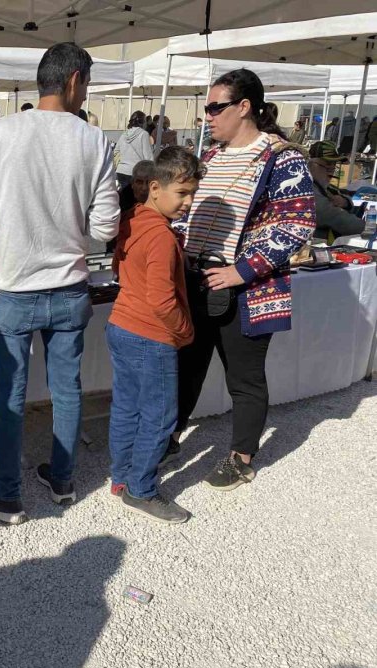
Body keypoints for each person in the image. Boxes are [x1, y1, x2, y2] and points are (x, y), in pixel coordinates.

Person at [0, 42, 120, 524]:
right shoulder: (94, 140)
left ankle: (9, 494)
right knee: (67, 388)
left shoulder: (1, 131)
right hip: (69, 284)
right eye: (87, 82)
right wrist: (70, 234)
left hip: (14, 286)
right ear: (74, 81)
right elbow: (106, 229)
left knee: (9, 393)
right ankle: (63, 479)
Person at [171, 69, 315, 491]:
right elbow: (189, 214)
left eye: (215, 107)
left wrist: (241, 270)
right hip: (198, 281)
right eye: (206, 109)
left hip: (246, 290)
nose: (207, 117)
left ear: (244, 107)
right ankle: (169, 438)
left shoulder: (282, 157)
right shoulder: (213, 157)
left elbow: (297, 224)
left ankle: (241, 457)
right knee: (187, 367)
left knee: (244, 378)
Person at [107, 147, 201, 524]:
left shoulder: (132, 219)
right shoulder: (161, 236)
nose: (188, 202)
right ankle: (141, 489)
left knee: (127, 406)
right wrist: (184, 330)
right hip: (151, 333)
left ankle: (121, 477)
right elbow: (162, 299)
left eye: (192, 193)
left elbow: (118, 266)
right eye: (182, 193)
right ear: (156, 188)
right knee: (159, 416)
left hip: (122, 325)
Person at [307, 141, 364, 243]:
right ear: (311, 164)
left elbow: (342, 194)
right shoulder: (308, 190)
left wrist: (344, 202)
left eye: (334, 164)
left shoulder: (323, 185)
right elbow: (336, 218)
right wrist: (369, 229)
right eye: (327, 164)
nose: (331, 169)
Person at [115, 111, 155, 188]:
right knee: (135, 198)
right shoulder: (144, 134)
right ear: (142, 122)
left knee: (124, 197)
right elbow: (148, 156)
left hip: (121, 171)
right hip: (136, 172)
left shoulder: (124, 134)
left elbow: (116, 151)